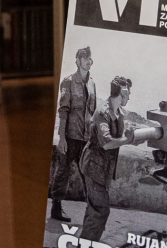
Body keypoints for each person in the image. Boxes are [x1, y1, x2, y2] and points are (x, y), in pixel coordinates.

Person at [80, 76, 143, 242]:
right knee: (100, 211)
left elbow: (119, 137)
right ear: (121, 94)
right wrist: (127, 140)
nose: (129, 98)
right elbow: (107, 143)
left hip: (102, 170)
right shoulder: (103, 113)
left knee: (94, 211)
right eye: (128, 94)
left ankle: (85, 243)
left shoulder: (118, 113)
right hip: (94, 167)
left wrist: (133, 138)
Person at [50, 47, 97, 221]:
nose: (88, 61)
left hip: (86, 138)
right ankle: (56, 208)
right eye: (84, 58)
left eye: (90, 58)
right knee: (63, 171)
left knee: (88, 174)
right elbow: (63, 111)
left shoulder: (92, 84)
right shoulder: (68, 82)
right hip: (70, 136)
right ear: (77, 61)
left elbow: (92, 113)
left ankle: (93, 211)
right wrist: (62, 138)